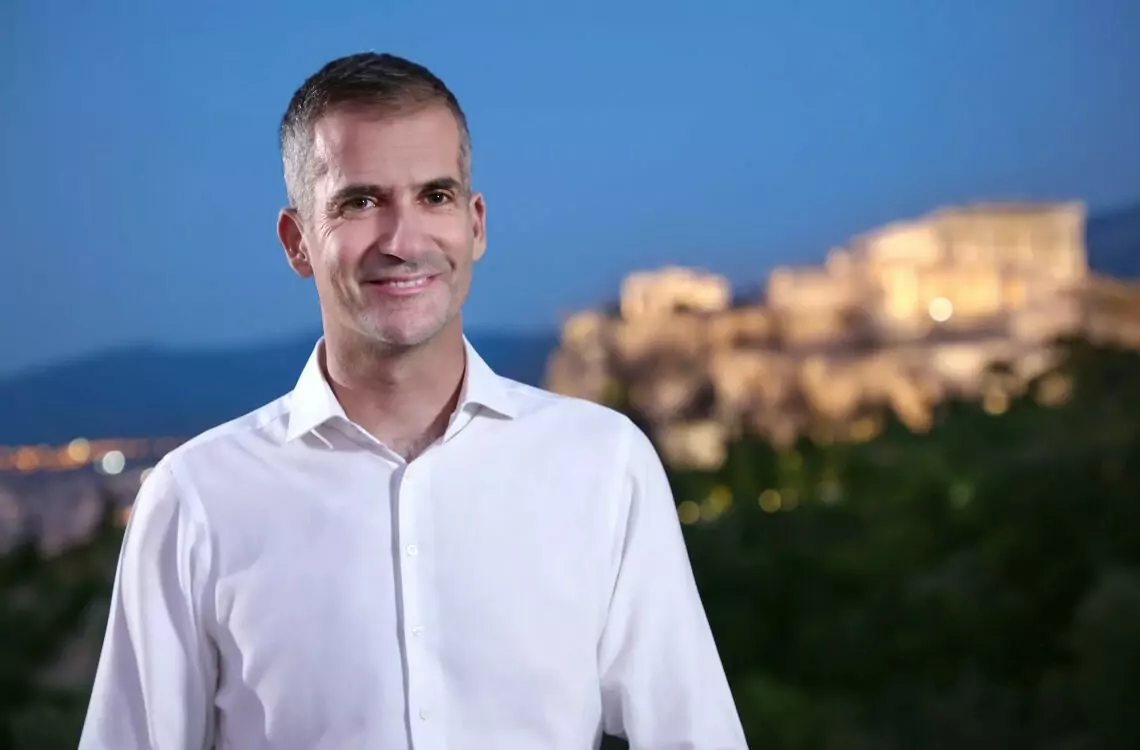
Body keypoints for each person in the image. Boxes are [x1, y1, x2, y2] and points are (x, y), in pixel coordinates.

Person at [79, 51, 747, 750]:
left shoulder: (605, 466)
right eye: (360, 202)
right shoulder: (195, 499)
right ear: (297, 241)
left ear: (476, 224)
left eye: (435, 196)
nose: (403, 241)